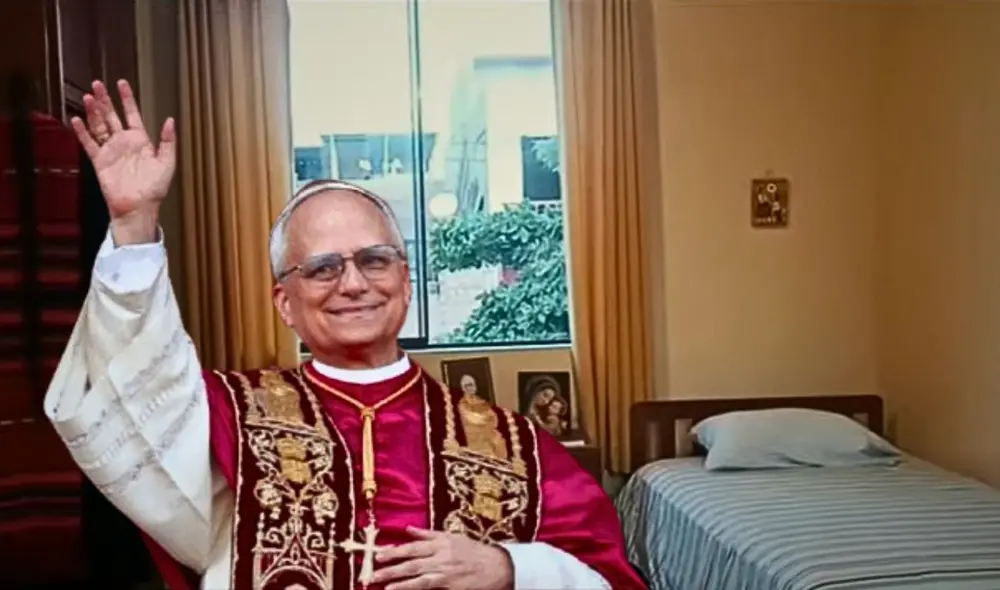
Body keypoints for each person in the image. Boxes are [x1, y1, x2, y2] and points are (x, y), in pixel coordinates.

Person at [43, 79, 647, 590]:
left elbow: (608, 576)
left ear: (406, 283)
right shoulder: (228, 416)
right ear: (285, 301)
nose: (353, 284)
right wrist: (134, 225)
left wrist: (509, 566)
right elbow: (133, 389)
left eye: (375, 260)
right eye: (323, 268)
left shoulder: (514, 443)